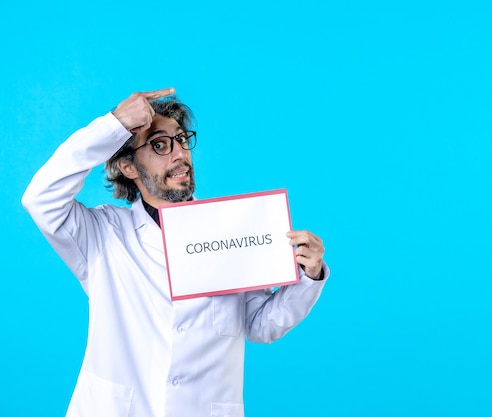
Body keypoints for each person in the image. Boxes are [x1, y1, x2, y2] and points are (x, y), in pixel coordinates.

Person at [22, 88, 329, 417]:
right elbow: (40, 198)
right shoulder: (102, 235)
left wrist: (308, 276)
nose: (180, 153)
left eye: (182, 140)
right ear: (128, 167)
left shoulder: (234, 231)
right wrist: (114, 125)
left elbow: (259, 324)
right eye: (159, 144)